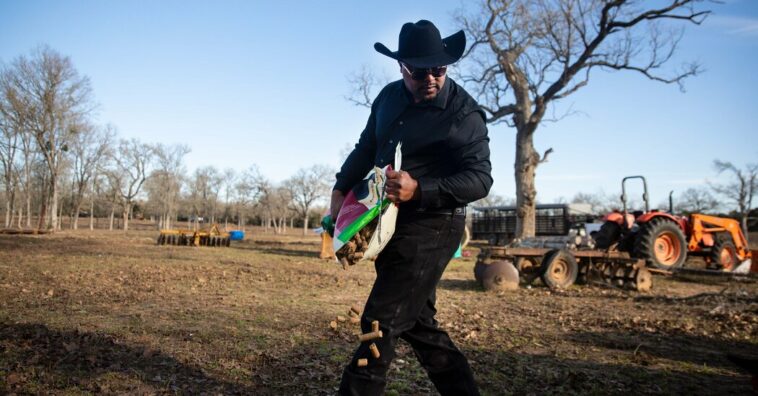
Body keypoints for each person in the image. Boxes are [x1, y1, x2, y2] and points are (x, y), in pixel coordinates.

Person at [330, 20, 492, 396]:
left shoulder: (463, 114)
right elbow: (367, 148)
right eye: (420, 71)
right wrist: (340, 188)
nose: (431, 78)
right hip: (390, 223)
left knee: (379, 321)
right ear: (402, 67)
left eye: (439, 69)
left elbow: (481, 179)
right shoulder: (388, 98)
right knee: (420, 326)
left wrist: (420, 189)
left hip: (436, 225)